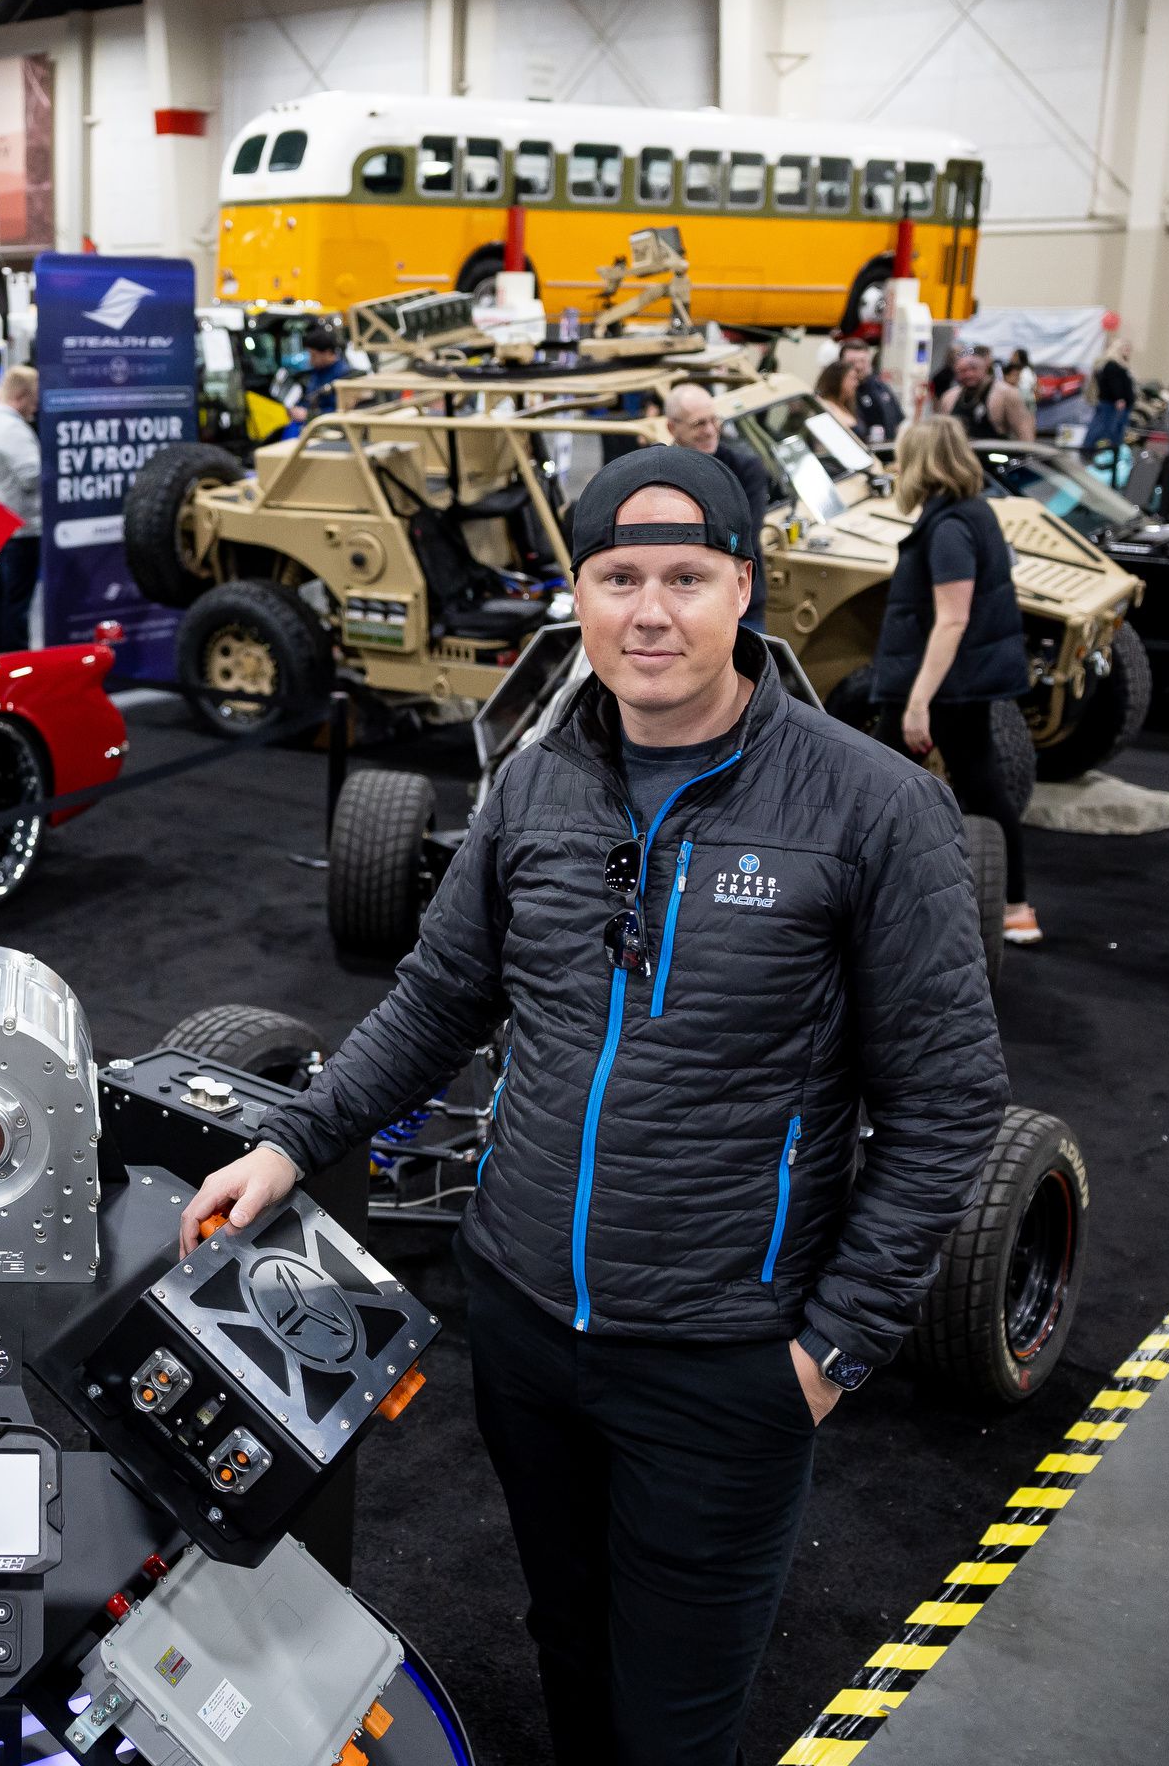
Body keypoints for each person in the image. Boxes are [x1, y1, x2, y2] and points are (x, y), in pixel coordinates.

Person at [181, 442, 1001, 1766]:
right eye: (618, 576)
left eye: (687, 576)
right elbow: (436, 1003)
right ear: (580, 597)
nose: (651, 612)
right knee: (568, 1646)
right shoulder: (537, 787)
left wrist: (832, 1349)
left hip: (729, 1358)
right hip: (522, 1332)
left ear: (746, 588)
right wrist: (292, 1141)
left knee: (670, 1719)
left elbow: (951, 1106)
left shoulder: (873, 812)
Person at [873, 416, 1037, 947]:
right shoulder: (971, 513)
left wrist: (918, 701)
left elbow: (953, 618)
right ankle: (1015, 906)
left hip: (949, 685)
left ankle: (1014, 906)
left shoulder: (947, 529)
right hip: (964, 682)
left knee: (883, 785)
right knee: (980, 784)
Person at [664, 383, 771, 632]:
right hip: (675, 605)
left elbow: (744, 539)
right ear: (672, 427)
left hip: (740, 605)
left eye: (714, 420)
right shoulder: (654, 471)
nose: (711, 430)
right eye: (699, 424)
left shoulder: (746, 469)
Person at [0, 367, 44, 652]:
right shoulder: (12, 429)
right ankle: (16, 665)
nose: (36, 408)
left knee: (2, 601)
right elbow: (33, 476)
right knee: (16, 606)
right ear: (20, 396)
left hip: (0, 527)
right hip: (20, 529)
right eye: (34, 400)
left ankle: (0, 661)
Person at [938, 350, 1035, 445]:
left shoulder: (1006, 394)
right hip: (960, 457)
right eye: (962, 371)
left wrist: (1028, 456)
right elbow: (941, 435)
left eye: (973, 369)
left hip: (996, 457)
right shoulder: (949, 397)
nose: (968, 374)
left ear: (985, 368)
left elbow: (1025, 434)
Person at [838, 337, 903, 441]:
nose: (858, 366)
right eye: (852, 362)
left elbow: (899, 421)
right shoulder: (838, 395)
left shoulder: (880, 386)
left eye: (862, 361)